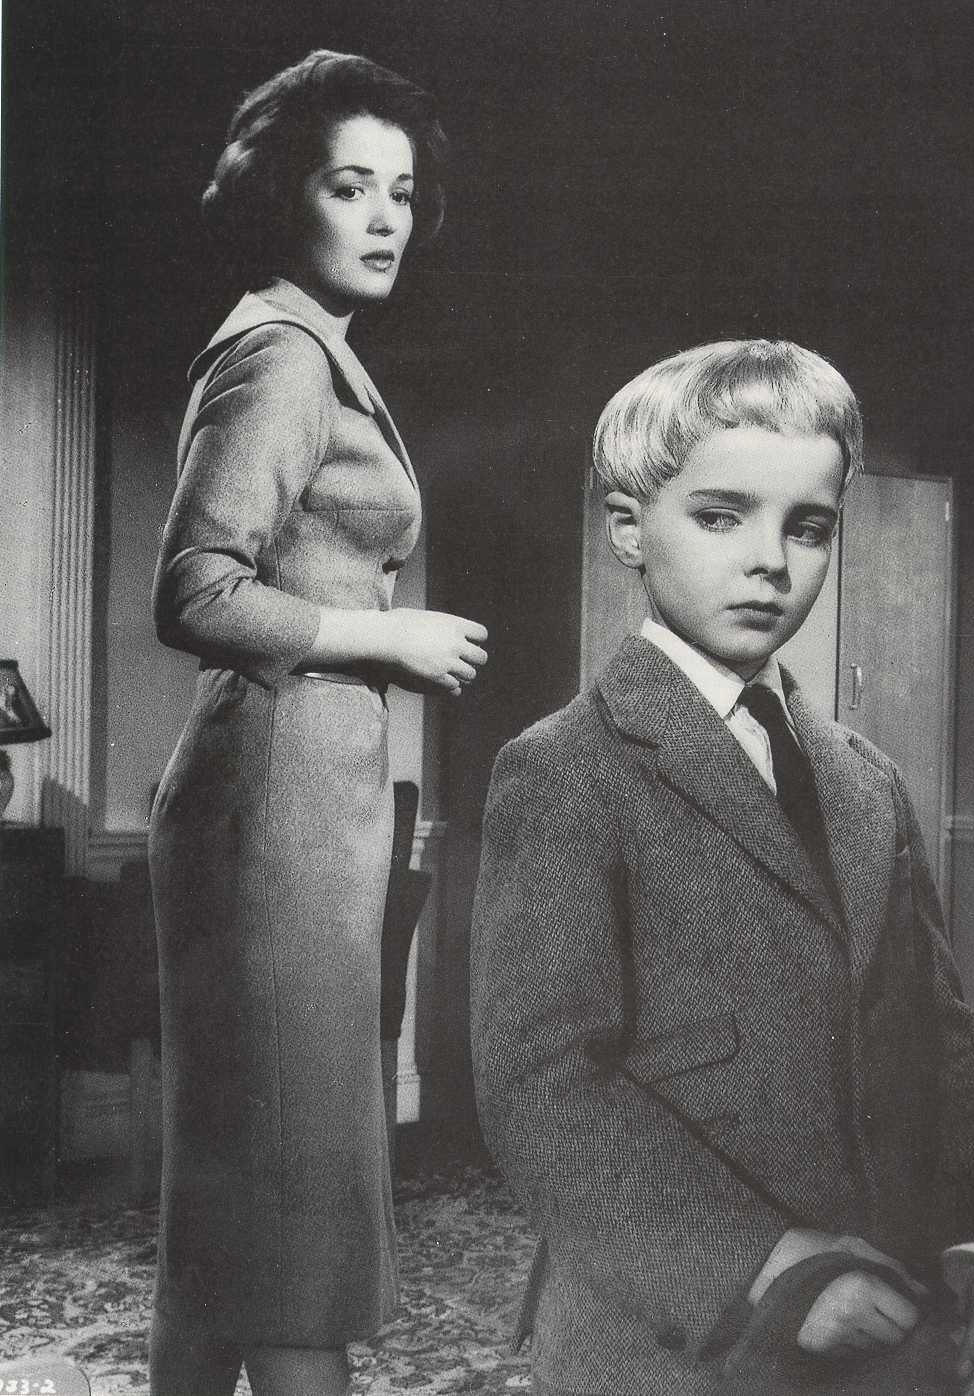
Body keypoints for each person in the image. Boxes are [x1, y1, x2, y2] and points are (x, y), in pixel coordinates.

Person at [470, 340, 974, 1396]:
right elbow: (543, 1089)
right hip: (674, 1338)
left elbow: (944, 1038)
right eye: (721, 517)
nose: (771, 560)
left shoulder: (864, 778)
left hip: (885, 1303)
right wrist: (772, 1267)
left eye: (806, 527)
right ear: (628, 528)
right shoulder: (564, 769)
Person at [149, 50, 488, 1396]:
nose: (385, 217)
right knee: (293, 1207)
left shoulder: (309, 349)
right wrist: (383, 637)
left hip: (295, 801)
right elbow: (193, 588)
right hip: (273, 817)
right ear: (282, 196)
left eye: (400, 191)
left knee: (238, 1197)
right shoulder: (285, 358)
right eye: (351, 186)